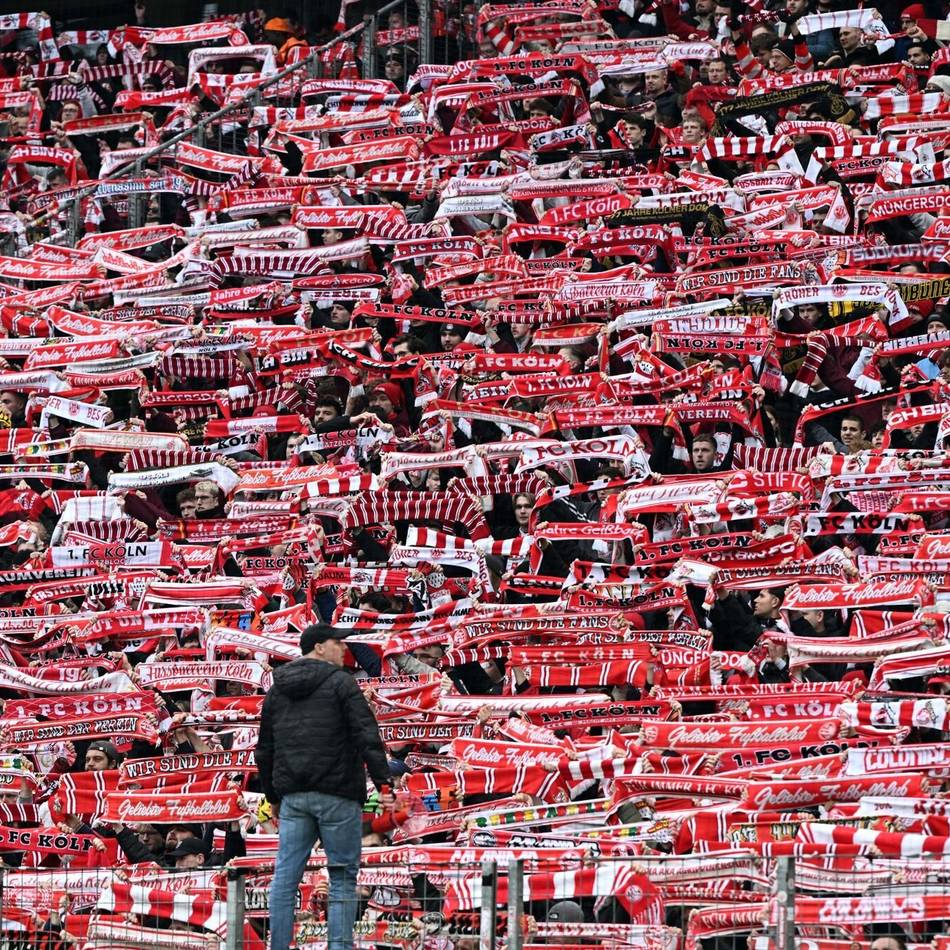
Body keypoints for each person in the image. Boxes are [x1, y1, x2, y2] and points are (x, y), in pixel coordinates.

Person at [256, 624, 393, 950]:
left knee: (285, 879)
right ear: (319, 647)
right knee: (343, 877)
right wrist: (384, 785)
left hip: (294, 798)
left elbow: (264, 749)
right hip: (339, 795)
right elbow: (367, 736)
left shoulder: (277, 690)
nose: (343, 649)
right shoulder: (340, 682)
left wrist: (272, 797)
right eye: (337, 642)